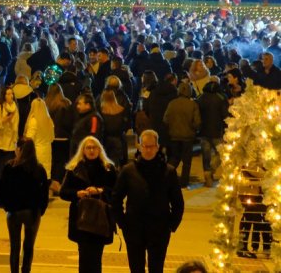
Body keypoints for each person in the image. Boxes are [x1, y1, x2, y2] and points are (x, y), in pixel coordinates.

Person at [112, 130, 184, 273]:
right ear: (139, 146)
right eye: (145, 146)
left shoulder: (168, 172)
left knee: (156, 268)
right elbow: (116, 198)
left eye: (152, 146)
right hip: (134, 228)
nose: (148, 150)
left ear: (158, 147)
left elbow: (177, 202)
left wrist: (171, 225)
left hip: (159, 229)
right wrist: (123, 223)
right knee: (136, 268)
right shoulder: (128, 171)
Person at [60, 136, 118, 273]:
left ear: (99, 150)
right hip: (81, 219)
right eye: (88, 148)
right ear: (83, 150)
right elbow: (63, 192)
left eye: (94, 147)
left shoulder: (108, 169)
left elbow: (116, 191)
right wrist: (77, 193)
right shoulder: (74, 169)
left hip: (100, 218)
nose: (91, 150)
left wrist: (100, 190)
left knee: (96, 257)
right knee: (84, 257)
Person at [0, 139, 50, 273]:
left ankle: (14, 271)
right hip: (32, 211)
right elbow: (44, 193)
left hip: (13, 211)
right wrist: (41, 209)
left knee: (15, 246)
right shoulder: (39, 169)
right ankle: (26, 270)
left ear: (19, 149)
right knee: (29, 245)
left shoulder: (10, 167)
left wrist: (6, 205)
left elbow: (1, 189)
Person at [163, 82, 200, 188]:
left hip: (174, 136)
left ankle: (167, 178)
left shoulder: (172, 103)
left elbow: (165, 119)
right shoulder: (193, 104)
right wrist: (193, 129)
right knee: (187, 161)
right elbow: (197, 122)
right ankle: (184, 182)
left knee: (174, 158)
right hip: (188, 137)